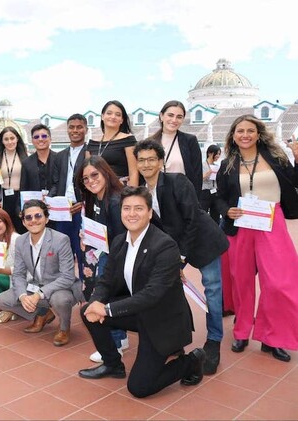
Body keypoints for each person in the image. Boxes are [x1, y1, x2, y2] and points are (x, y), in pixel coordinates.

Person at [78, 186, 205, 398]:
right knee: (87, 312)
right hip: (137, 312)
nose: (131, 214)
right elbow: (106, 281)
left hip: (161, 319)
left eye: (138, 208)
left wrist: (107, 309)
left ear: (150, 213)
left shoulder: (165, 245)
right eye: (126, 208)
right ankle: (112, 364)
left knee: (139, 388)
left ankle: (191, 361)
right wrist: (95, 303)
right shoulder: (119, 241)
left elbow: (152, 294)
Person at [134, 139, 229, 374]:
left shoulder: (177, 181)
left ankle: (214, 340)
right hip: (174, 248)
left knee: (213, 290)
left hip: (203, 241)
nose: (146, 164)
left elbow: (192, 219)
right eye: (141, 160)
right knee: (170, 291)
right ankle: (177, 340)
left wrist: (181, 258)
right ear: (136, 163)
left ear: (160, 161)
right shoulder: (142, 193)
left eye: (151, 159)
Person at [216, 115, 298, 362]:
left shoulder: (278, 158)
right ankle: (241, 331)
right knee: (241, 281)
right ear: (233, 135)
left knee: (279, 282)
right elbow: (218, 196)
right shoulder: (227, 163)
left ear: (259, 133)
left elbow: (294, 182)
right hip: (241, 224)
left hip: (272, 222)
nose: (245, 135)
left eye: (250, 130)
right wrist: (225, 210)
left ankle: (273, 336)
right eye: (240, 131)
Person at [0, 200, 83, 346]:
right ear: (23, 222)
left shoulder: (60, 240)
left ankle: (64, 328)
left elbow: (67, 277)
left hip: (61, 288)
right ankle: (42, 314)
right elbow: (18, 274)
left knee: (59, 300)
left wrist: (39, 294)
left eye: (38, 216)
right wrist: (23, 296)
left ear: (46, 218)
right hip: (35, 285)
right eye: (28, 218)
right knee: (3, 300)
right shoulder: (21, 241)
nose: (33, 221)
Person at [75, 156, 128, 362]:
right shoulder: (97, 198)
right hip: (104, 253)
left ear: (105, 172)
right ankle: (120, 338)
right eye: (85, 179)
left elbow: (120, 237)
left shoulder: (115, 201)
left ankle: (114, 345)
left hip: (114, 257)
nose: (90, 181)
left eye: (94, 175)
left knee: (105, 298)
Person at [49, 114, 87, 280]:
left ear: (86, 129)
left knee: (82, 250)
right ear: (67, 129)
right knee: (63, 249)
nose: (75, 130)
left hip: (81, 209)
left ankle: (84, 287)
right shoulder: (60, 156)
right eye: (72, 127)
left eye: (79, 127)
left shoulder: (90, 153)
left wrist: (84, 203)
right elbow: (55, 183)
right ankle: (64, 285)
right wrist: (48, 200)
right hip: (62, 211)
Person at [148, 100, 203, 197]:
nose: (174, 120)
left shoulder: (190, 141)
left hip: (183, 196)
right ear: (161, 116)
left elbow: (197, 175)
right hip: (155, 195)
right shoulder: (149, 142)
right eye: (170, 115)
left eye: (179, 117)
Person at [86, 100, 138, 187]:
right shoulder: (92, 143)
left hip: (120, 190)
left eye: (118, 115)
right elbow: (87, 172)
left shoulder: (128, 140)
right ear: (102, 116)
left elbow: (134, 172)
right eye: (109, 113)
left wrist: (132, 196)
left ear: (122, 120)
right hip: (96, 190)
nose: (113, 117)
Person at [0, 126, 28, 234]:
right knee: (4, 230)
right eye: (6, 139)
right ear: (2, 141)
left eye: (12, 138)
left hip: (19, 198)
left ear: (17, 139)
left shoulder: (26, 157)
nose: (9, 142)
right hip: (2, 198)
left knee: (21, 229)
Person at [20, 123, 57, 195]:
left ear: (50, 139)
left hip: (56, 203)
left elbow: (60, 183)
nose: (40, 139)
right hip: (35, 203)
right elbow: (24, 189)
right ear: (32, 141)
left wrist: (49, 197)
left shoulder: (59, 159)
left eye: (44, 136)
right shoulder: (26, 163)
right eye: (36, 137)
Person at [200, 144, 222, 223]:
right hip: (205, 192)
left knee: (216, 215)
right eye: (216, 153)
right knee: (203, 214)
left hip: (215, 192)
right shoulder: (202, 165)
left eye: (219, 154)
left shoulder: (217, 166)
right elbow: (198, 179)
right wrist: (208, 173)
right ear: (210, 153)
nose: (218, 156)